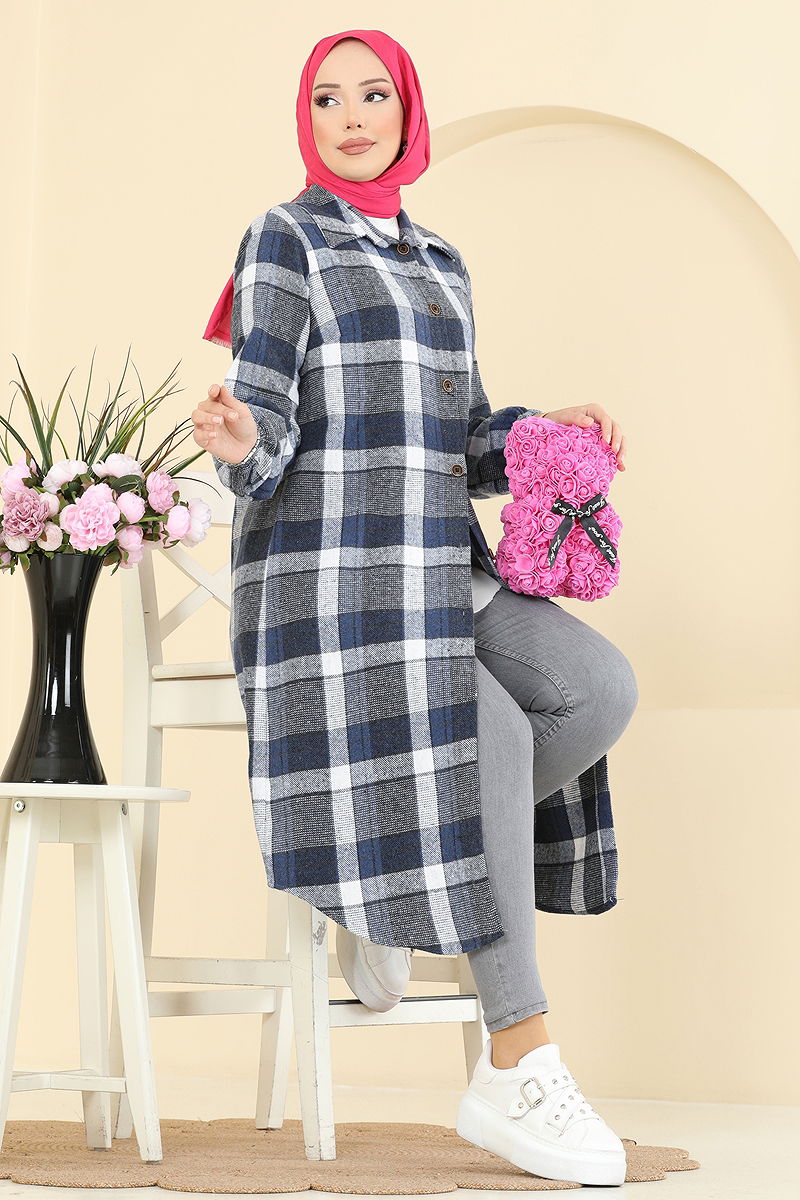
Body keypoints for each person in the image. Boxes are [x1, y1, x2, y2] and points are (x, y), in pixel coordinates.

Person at [192, 29, 638, 1188]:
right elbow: (264, 416)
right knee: (483, 732)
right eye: (326, 98)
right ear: (307, 120)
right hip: (333, 583)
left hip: (442, 567)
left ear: (406, 111)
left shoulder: (442, 261)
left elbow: (462, 438)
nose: (350, 116)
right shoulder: (284, 239)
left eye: (372, 94)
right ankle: (515, 1062)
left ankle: (389, 868)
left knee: (595, 688)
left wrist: (537, 431)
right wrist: (241, 442)